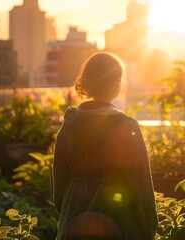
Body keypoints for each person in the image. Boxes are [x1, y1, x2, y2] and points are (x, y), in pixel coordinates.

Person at [53, 52, 158, 240]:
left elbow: (59, 185)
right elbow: (141, 184)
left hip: (74, 215)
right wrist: (149, 226)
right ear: (117, 86)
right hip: (119, 216)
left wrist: (70, 212)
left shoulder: (68, 126)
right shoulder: (127, 127)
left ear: (86, 84)